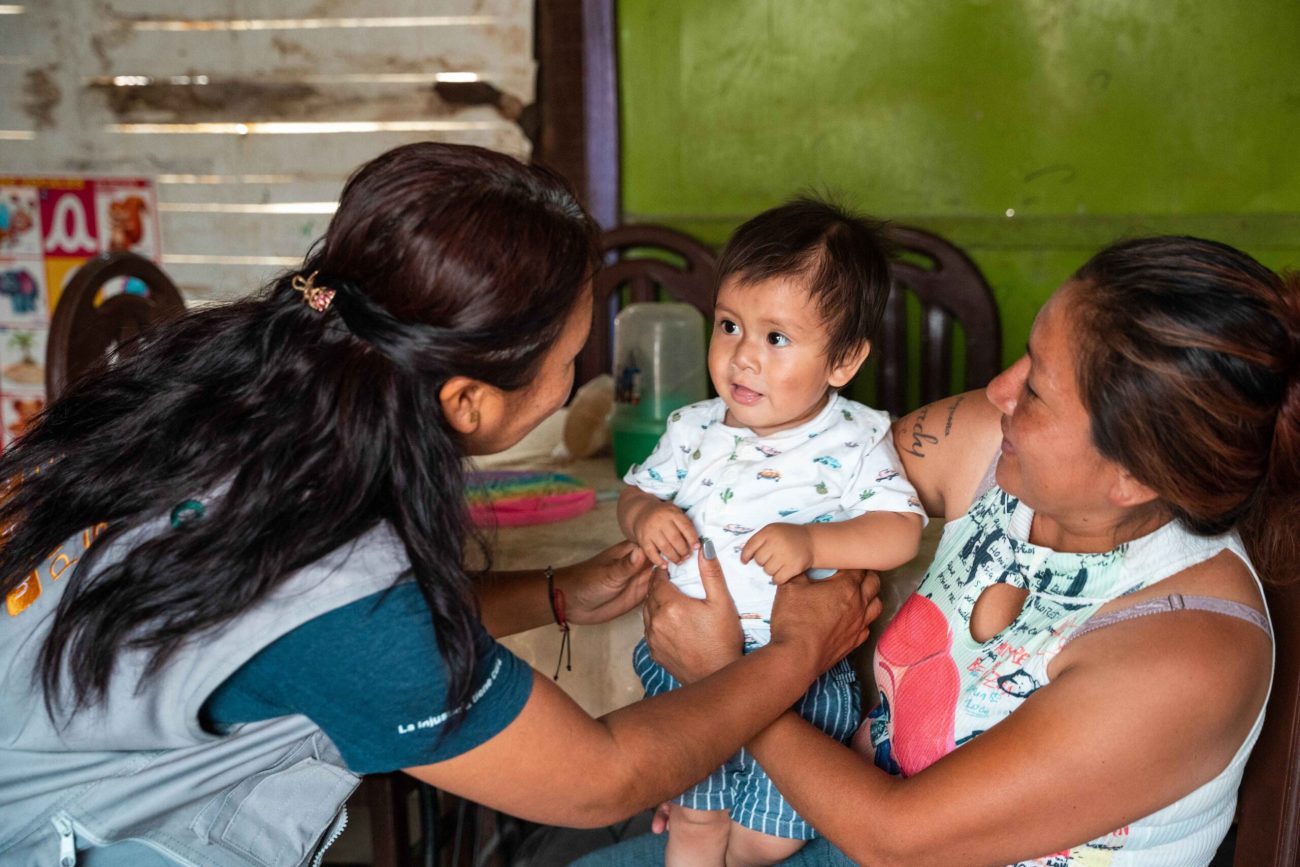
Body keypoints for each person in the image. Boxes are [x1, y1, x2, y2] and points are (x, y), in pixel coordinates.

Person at [0, 143, 883, 867]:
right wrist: (797, 653)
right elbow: (600, 778)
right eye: (571, 356)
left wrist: (551, 595)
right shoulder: (344, 591)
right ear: (469, 403)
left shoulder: (251, 404)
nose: (579, 376)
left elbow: (285, 634)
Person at [581, 235, 1299, 866]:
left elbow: (895, 839)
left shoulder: (1187, 649)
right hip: (827, 818)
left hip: (875, 836)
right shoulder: (994, 443)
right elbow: (808, 472)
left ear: (1134, 474)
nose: (999, 388)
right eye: (1026, 354)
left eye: (1039, 390)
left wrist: (727, 681)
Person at [618, 198, 925, 865]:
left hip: (801, 676)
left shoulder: (855, 437)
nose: (742, 358)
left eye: (775, 338)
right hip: (685, 671)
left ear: (842, 361)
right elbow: (636, 488)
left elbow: (900, 531)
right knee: (695, 824)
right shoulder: (692, 427)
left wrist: (813, 544)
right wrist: (644, 513)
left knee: (769, 838)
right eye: (729, 325)